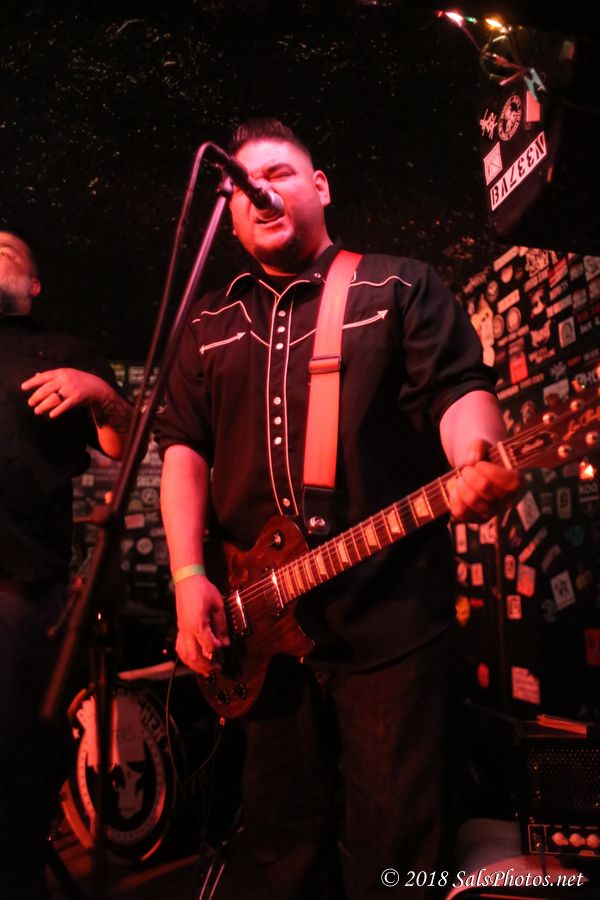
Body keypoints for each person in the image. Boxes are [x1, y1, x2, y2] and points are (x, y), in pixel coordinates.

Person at [156, 119, 522, 899]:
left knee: (397, 857)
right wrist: (189, 576)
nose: (260, 193)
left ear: (320, 188)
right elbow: (182, 449)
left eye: (279, 174)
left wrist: (477, 455)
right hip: (259, 633)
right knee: (281, 854)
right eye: (242, 187)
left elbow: (459, 389)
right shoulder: (208, 325)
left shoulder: (397, 286)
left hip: (390, 625)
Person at [0, 229, 132, 899]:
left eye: (9, 251)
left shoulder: (64, 351)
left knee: (18, 754)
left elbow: (123, 444)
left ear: (34, 285)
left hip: (22, 584)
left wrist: (98, 391)